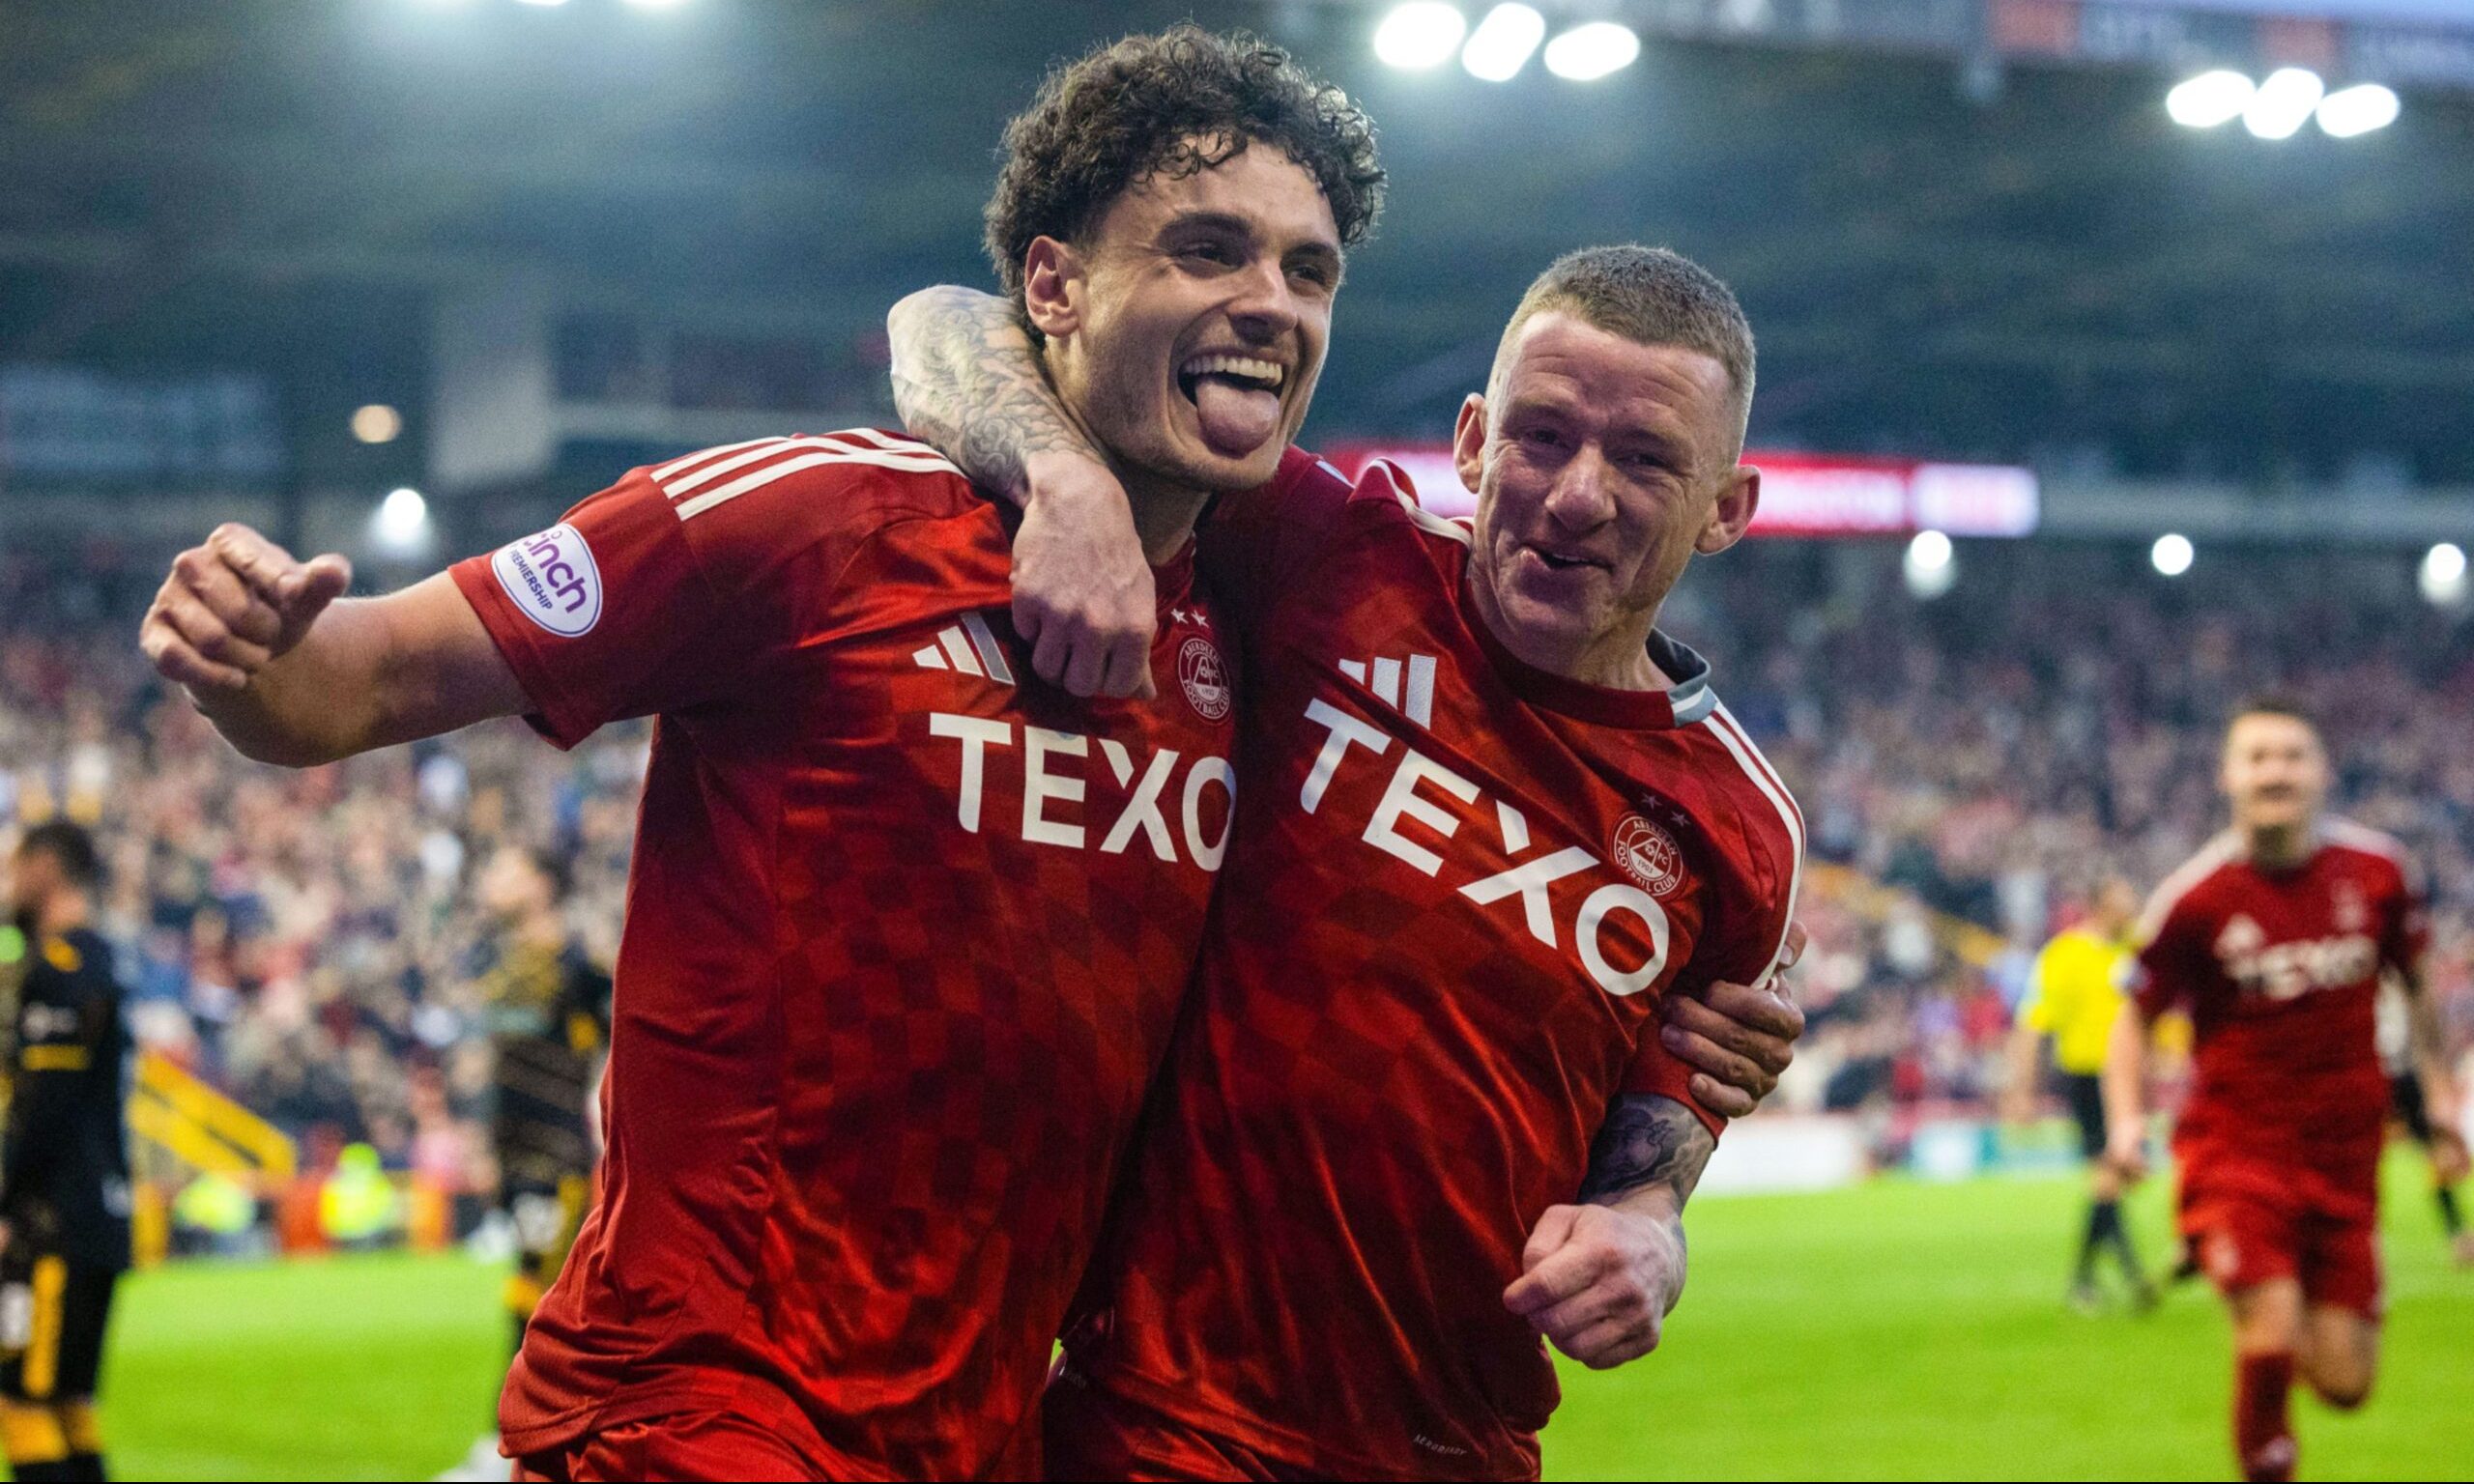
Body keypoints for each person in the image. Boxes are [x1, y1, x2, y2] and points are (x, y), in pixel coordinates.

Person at [138, 30, 1793, 1481]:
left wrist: (1651, 1200)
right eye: (1210, 248)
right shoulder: (807, 524)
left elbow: (1662, 1050)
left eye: (1308, 271)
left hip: (998, 1431)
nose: (1269, 306)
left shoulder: (1269, 601)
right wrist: (251, 653)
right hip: (710, 1403)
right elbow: (339, 689)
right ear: (1059, 286)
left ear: (1726, 506)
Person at [890, 243, 1804, 1479]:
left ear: (1727, 511)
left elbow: (1660, 1126)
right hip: (1149, 1417)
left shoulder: (1742, 834)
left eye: (1645, 458)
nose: (1577, 494)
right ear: (1472, 442)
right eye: (1540, 436)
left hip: (1456, 1446)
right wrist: (1067, 481)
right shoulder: (1334, 557)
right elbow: (943, 322)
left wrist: (1650, 1233)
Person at [2104, 699, 2468, 1484]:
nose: (2276, 771)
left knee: (2344, 1384)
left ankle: (2258, 1273)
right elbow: (2131, 1019)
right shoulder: (2195, 899)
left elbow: (2416, 989)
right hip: (2240, 1146)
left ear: (2321, 771)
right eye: (2258, 757)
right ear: (2228, 775)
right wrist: (2128, 1125)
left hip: (2345, 1150)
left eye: (2292, 755)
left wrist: (2440, 1101)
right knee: (2268, 1330)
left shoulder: (2380, 873)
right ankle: (2238, 1263)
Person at [0, 822, 129, 1484]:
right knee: (71, 1403)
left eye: (16, 864)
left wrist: (5, 1203)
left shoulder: (58, 969)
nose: (8, 881)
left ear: (47, 867)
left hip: (52, 1225)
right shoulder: (104, 958)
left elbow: (43, 1108)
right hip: (99, 1219)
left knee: (19, 1404)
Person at [471, 844, 612, 1356]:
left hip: (555, 1161)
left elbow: (623, 1042)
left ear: (540, 885)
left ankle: (509, 1428)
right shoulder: (498, 968)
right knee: (531, 1284)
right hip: (511, 1160)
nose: (490, 879)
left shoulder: (578, 967)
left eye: (504, 867)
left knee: (541, 1290)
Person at [2000, 875, 2154, 1311]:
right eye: (2125, 894)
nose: (2133, 901)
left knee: (2116, 1178)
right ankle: (2099, 1278)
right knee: (2109, 1175)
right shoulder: (2064, 954)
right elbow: (2032, 1026)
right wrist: (2022, 1091)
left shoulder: (2132, 948)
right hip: (2086, 1076)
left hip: (2128, 1079)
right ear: (2100, 903)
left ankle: (2121, 1274)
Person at [2376, 984, 2474, 1266]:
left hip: (2402, 1075)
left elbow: (2425, 1032)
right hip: (2380, 1074)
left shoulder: (2399, 985)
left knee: (2438, 1155)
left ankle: (2457, 1234)